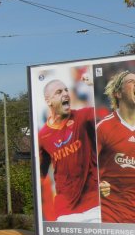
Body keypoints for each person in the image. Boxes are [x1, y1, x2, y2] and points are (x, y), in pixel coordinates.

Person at [37, 78, 100, 222]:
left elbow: (110, 109)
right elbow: (40, 174)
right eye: (59, 92)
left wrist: (94, 85)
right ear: (48, 101)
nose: (65, 94)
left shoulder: (83, 117)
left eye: (66, 90)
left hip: (93, 205)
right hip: (65, 209)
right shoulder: (43, 136)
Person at [95, 70, 135, 223]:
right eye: (131, 81)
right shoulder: (103, 128)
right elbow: (86, 170)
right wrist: (96, 185)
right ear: (118, 93)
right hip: (113, 218)